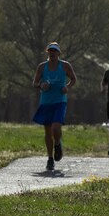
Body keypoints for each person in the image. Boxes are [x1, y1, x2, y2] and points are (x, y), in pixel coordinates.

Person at [32, 42, 77, 171]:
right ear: (48, 53)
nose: (52, 53)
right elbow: (34, 83)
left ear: (58, 53)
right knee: (47, 131)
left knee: (56, 128)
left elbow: (73, 79)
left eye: (54, 51)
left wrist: (67, 87)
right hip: (46, 102)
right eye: (50, 51)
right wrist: (41, 85)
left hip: (60, 101)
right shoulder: (42, 67)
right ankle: (50, 159)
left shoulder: (65, 66)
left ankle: (57, 144)